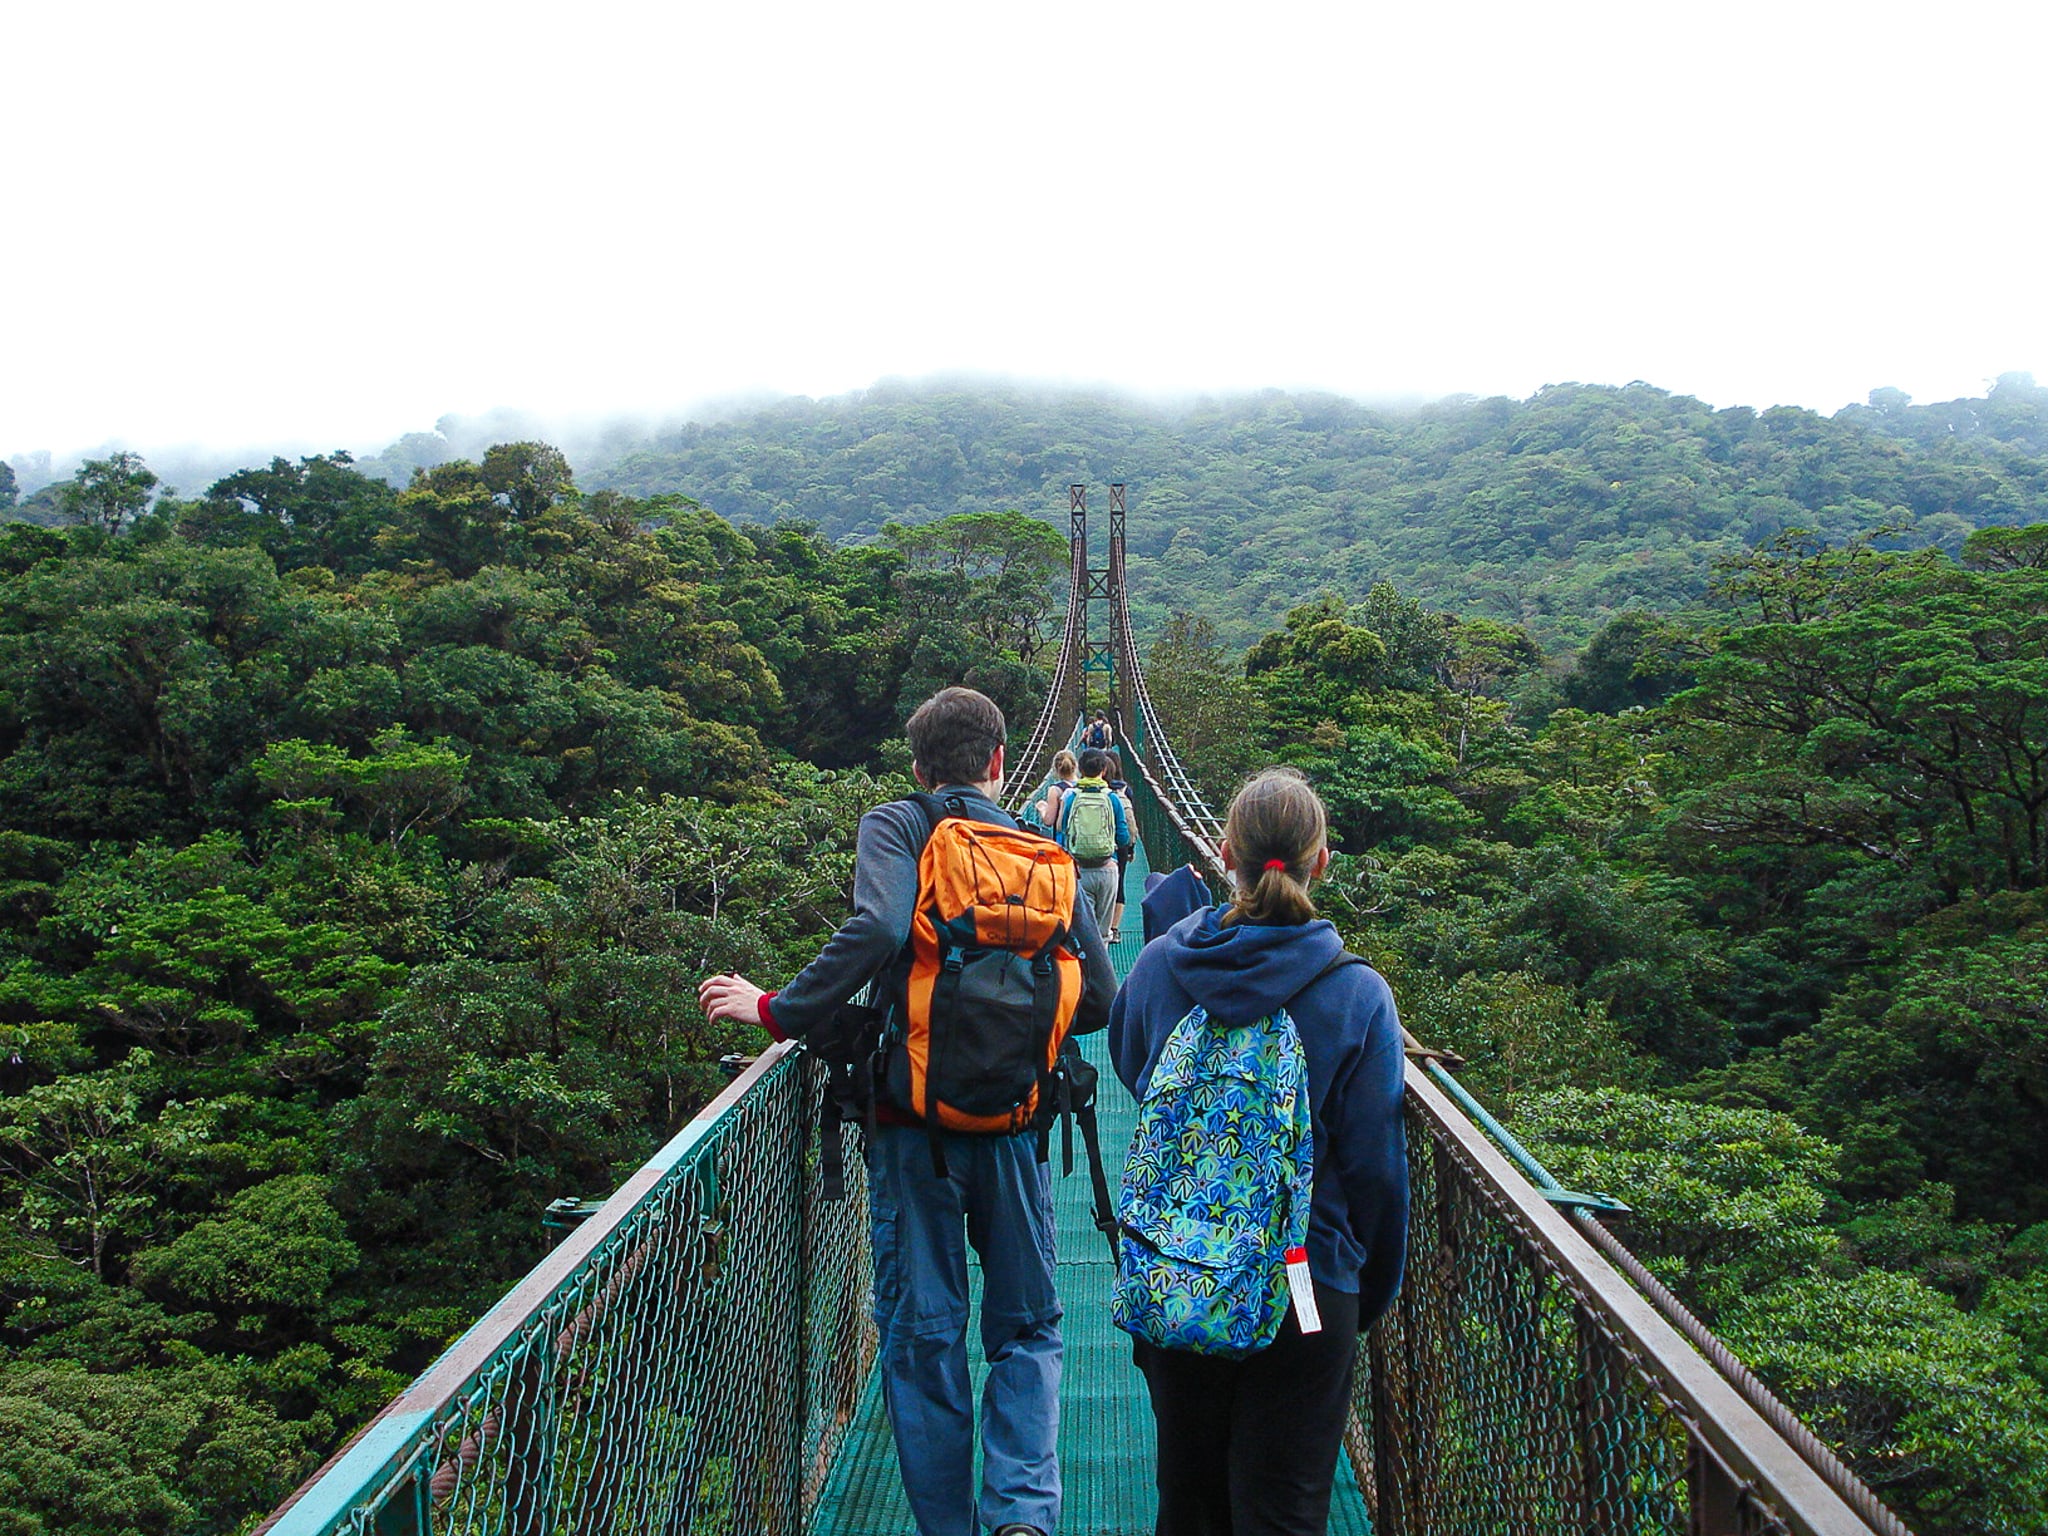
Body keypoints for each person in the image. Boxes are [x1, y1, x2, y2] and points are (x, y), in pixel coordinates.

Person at [699, 688, 1115, 1536]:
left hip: (911, 1128)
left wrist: (779, 1010)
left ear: (918, 768)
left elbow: (880, 927)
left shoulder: (898, 824)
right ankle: (1023, 1518)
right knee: (1028, 1326)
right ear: (1001, 762)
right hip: (1014, 1129)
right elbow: (1103, 999)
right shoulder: (1042, 845)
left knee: (924, 1337)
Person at [1107, 769, 1408, 1536]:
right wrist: (1360, 1290)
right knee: (1286, 1510)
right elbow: (1377, 1168)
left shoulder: (1156, 967)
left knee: (1190, 1504)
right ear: (1322, 862)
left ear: (1222, 853)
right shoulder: (1357, 994)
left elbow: (1134, 1067)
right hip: (1307, 1284)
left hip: (1182, 1275)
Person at [1056, 747, 1132, 947]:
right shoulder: (1113, 798)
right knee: (1103, 934)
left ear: (1080, 769)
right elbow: (1123, 838)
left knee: (1082, 932)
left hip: (1079, 871)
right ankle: (1102, 973)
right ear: (1104, 770)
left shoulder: (1072, 797)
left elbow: (1064, 829)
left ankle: (1082, 975)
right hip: (1107, 870)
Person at [1103, 751, 1136, 944]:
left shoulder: (1092, 791)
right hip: (1120, 844)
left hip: (1100, 842)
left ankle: (1099, 927)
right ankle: (1113, 929)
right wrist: (1130, 846)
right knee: (1119, 882)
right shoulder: (1126, 790)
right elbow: (1129, 820)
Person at [1038, 748, 1079, 830]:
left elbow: (1049, 821)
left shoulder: (1055, 790)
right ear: (1075, 766)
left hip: (1063, 838)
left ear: (1056, 769)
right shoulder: (1084, 786)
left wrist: (1042, 809)